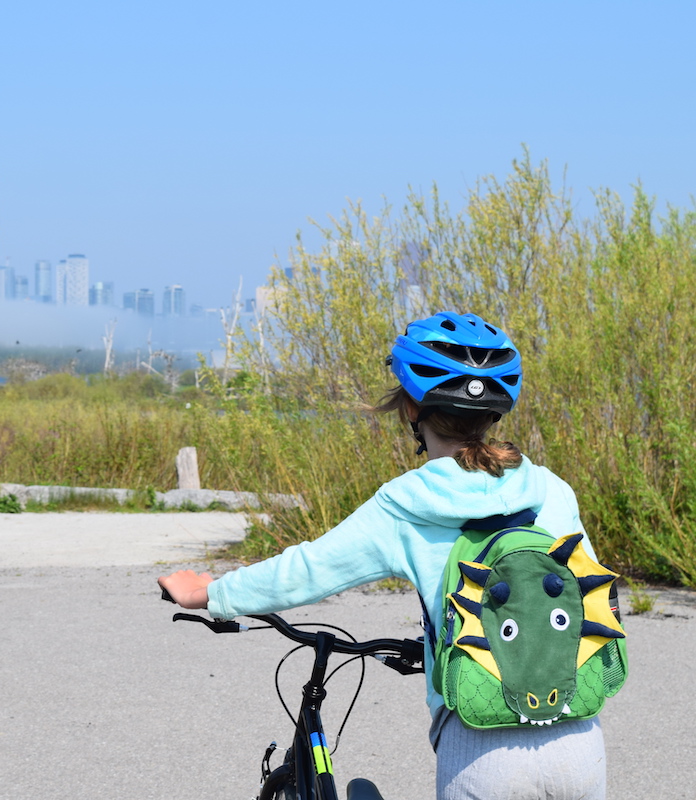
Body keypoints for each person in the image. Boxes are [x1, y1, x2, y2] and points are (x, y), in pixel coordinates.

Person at [159, 311, 607, 800]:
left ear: (411, 410)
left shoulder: (404, 505)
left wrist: (207, 592)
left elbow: (307, 570)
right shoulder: (550, 489)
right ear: (495, 411)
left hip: (482, 749)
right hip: (579, 742)